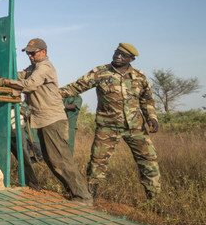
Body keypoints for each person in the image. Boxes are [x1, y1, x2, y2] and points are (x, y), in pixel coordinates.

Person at [0, 38, 92, 206]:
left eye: (33, 53)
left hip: (52, 119)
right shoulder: (33, 68)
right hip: (43, 119)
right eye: (28, 53)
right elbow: (20, 75)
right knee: (52, 159)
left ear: (43, 52)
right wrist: (2, 74)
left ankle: (83, 197)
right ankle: (74, 192)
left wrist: (7, 82)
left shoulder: (44, 67)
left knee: (60, 159)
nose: (30, 56)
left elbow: (30, 84)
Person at [60, 43, 160, 201]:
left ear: (131, 59)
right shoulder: (100, 72)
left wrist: (152, 117)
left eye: (123, 55)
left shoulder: (139, 76)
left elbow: (147, 100)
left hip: (136, 127)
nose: (118, 56)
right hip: (107, 127)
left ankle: (154, 199)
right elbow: (75, 87)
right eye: (117, 52)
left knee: (149, 160)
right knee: (98, 161)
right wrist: (51, 94)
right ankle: (91, 196)